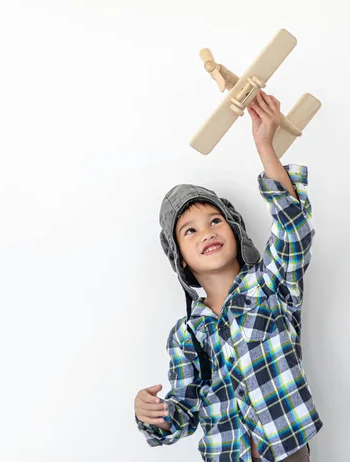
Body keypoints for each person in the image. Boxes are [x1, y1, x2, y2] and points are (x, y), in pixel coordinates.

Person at [134, 90, 323, 461]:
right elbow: (184, 413)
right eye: (190, 231)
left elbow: (294, 231)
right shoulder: (187, 334)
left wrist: (265, 145)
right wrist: (152, 415)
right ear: (181, 260)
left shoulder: (270, 285)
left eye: (215, 221)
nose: (206, 232)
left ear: (235, 231)